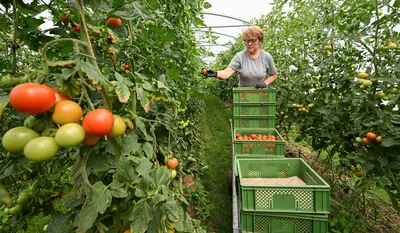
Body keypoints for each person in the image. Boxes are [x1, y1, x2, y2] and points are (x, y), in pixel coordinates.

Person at [202, 25, 278, 88]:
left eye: (253, 40)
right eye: (247, 40)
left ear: (260, 42)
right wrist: (216, 74)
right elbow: (227, 72)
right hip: (243, 96)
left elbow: (274, 74)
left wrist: (265, 83)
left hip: (260, 95)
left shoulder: (266, 57)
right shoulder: (240, 57)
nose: (250, 44)